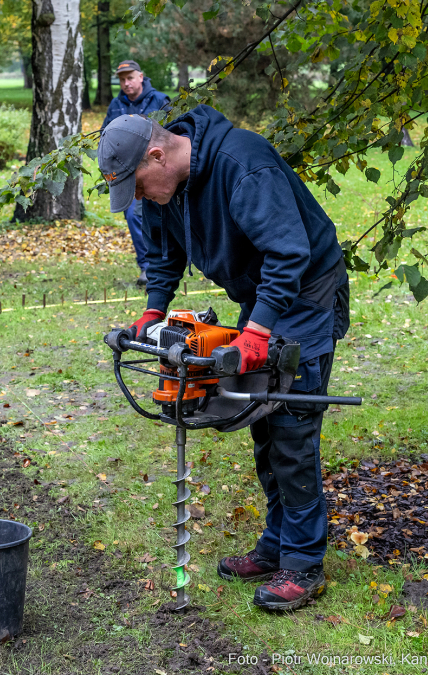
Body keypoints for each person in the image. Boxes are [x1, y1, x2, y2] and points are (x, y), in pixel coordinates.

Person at [98, 107, 349, 611]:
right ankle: (276, 547)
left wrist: (258, 330)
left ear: (157, 154)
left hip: (305, 294)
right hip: (261, 297)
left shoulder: (242, 163)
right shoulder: (169, 188)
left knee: (293, 430)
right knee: (259, 421)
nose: (141, 196)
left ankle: (303, 565)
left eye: (139, 185)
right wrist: (153, 311)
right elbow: (164, 254)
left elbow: (289, 254)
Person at [101, 60, 171, 288]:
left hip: (157, 171)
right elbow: (106, 135)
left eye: (130, 78)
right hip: (128, 174)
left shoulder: (160, 101)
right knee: (133, 216)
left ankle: (161, 264)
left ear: (141, 77)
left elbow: (174, 134)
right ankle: (147, 266)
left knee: (154, 218)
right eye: (122, 79)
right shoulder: (117, 104)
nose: (126, 83)